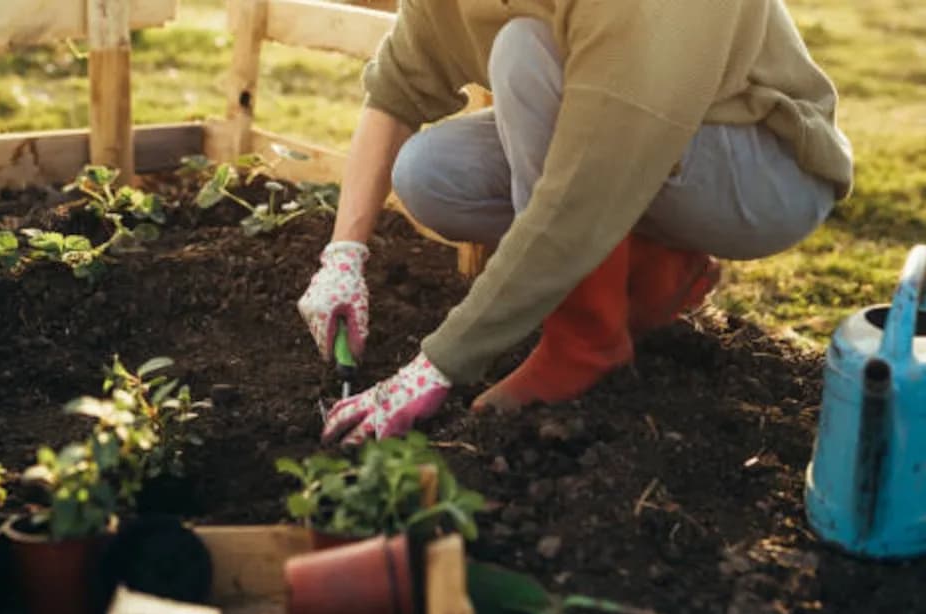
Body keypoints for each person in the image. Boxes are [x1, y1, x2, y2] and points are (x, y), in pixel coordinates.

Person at [297, 1, 853, 446]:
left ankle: (586, 343)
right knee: (430, 172)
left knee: (521, 54)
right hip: (627, 132)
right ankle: (655, 266)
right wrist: (343, 256)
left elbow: (579, 194)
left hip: (760, 168)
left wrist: (439, 364)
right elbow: (396, 90)